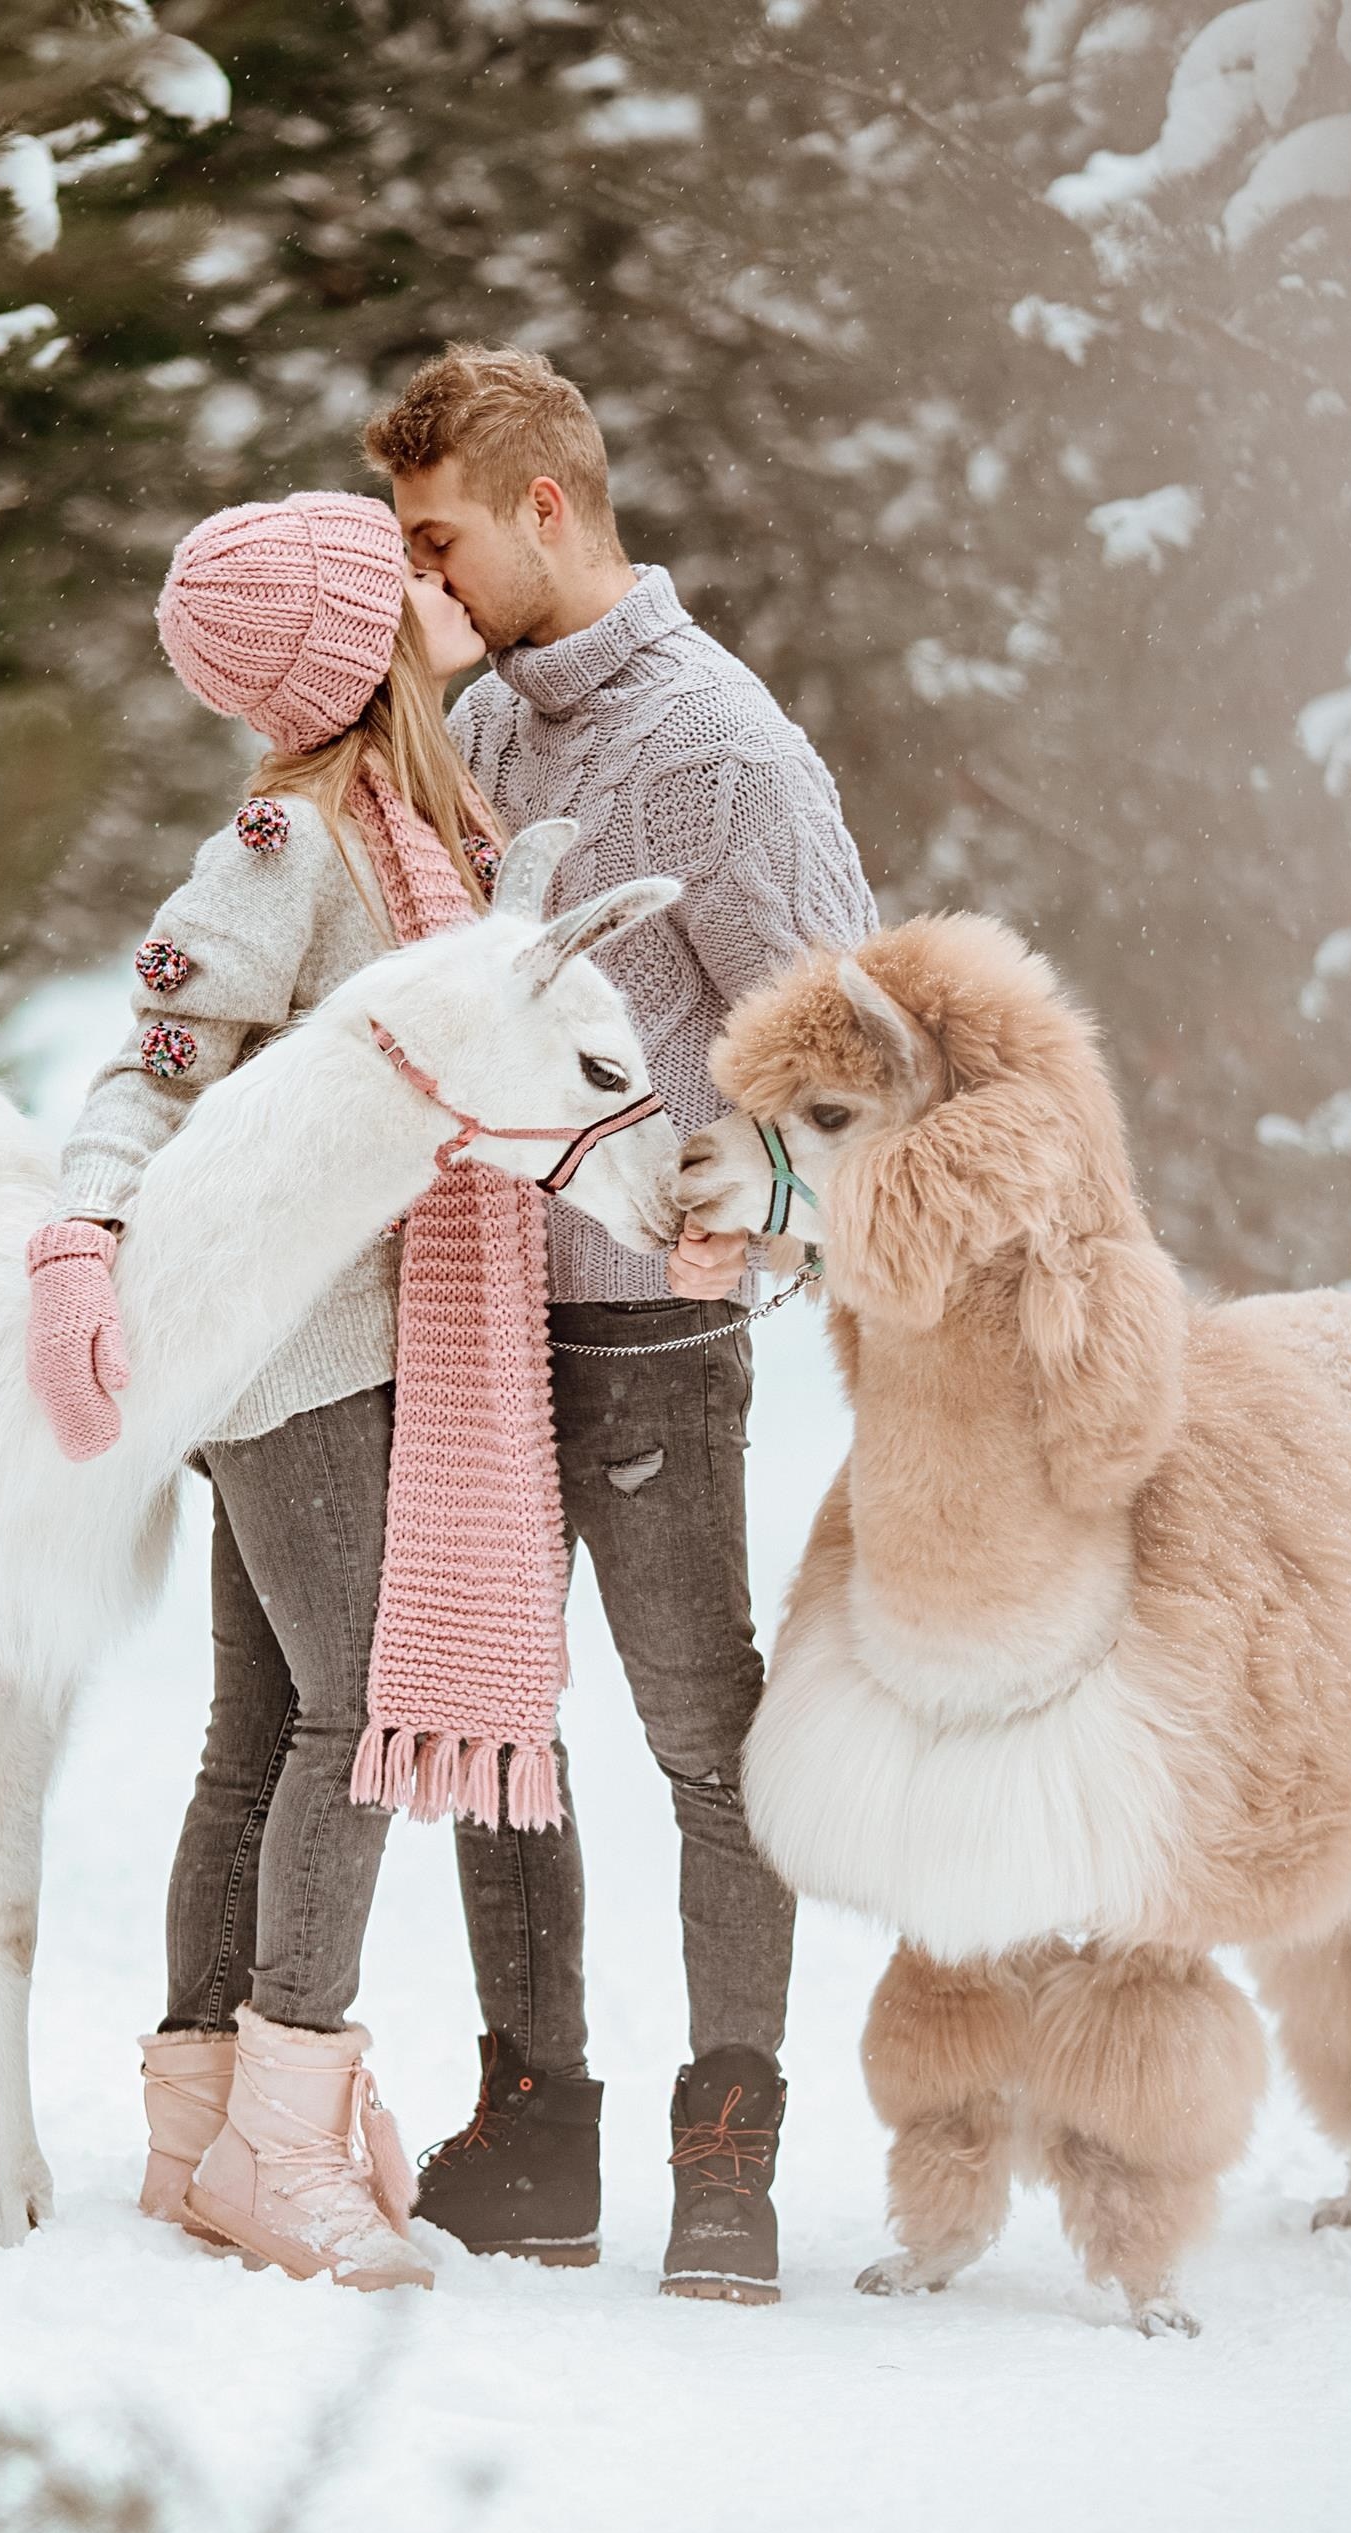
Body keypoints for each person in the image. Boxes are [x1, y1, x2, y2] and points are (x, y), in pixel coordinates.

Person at [364, 345, 878, 2306]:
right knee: (501, 1726)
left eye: (438, 538)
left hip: (650, 1330)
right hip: (482, 1323)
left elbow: (845, 1030)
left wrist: (754, 1199)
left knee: (693, 1734)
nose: (421, 578)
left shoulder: (718, 747)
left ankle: (725, 2152)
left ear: (544, 509)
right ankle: (534, 2131)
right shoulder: (483, 725)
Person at [23, 490, 497, 2295]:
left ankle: (195, 2124)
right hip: (288, 1351)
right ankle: (286, 2144)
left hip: (354, 1336)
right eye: (403, 578)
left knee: (259, 1727)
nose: (432, 589)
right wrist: (84, 1222)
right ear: (358, 643)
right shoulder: (285, 841)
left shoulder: (417, 823)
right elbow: (156, 1058)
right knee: (358, 1716)